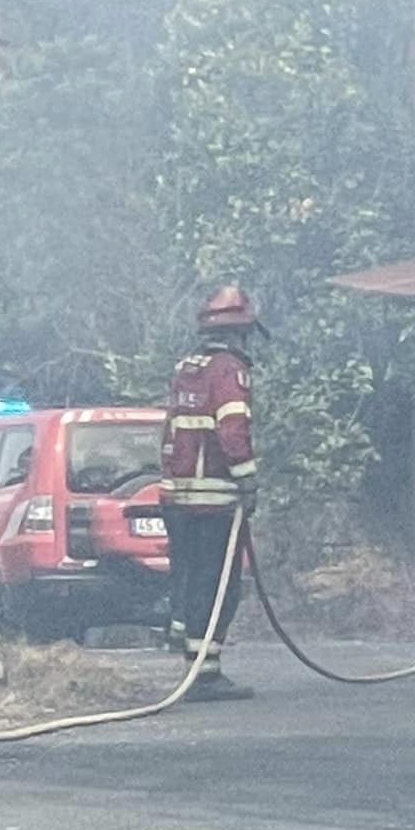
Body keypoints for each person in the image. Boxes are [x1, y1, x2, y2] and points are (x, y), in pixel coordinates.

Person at [159, 285, 260, 700]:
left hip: (177, 497)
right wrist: (248, 479)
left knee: (189, 577)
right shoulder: (227, 372)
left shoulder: (187, 367)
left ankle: (190, 657)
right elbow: (233, 430)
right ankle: (205, 673)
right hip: (214, 499)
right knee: (219, 583)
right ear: (238, 333)